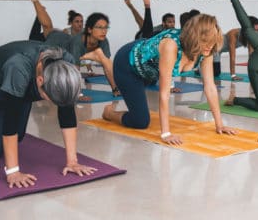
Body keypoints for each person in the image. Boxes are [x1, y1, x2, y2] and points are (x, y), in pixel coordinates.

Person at [0, 42, 97, 188]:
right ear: (40, 81)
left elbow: (67, 113)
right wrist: (13, 172)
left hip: (18, 88)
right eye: (50, 98)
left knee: (19, 137)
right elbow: (10, 123)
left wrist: (72, 162)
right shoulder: (19, 68)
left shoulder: (66, 66)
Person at [101, 11, 235, 146]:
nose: (209, 46)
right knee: (140, 122)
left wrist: (220, 125)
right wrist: (166, 133)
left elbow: (210, 87)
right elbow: (164, 93)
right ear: (195, 37)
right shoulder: (171, 46)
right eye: (205, 42)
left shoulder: (206, 51)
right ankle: (109, 113)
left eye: (212, 42)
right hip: (127, 65)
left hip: (150, 70)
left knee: (142, 108)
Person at [27, 0, 119, 95]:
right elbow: (75, 70)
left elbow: (107, 65)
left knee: (48, 28)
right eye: (99, 28)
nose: (104, 31)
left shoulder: (103, 40)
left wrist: (115, 89)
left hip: (63, 41)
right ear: (89, 30)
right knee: (47, 28)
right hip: (55, 42)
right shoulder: (78, 42)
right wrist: (78, 94)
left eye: (105, 28)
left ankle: (36, 3)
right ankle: (35, 1)